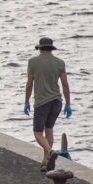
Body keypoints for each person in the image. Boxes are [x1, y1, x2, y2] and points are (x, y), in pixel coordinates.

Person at [24, 37, 72, 172]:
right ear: (51, 48)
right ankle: (45, 163)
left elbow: (29, 84)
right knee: (49, 129)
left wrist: (26, 101)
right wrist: (68, 104)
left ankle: (50, 152)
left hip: (41, 102)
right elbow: (65, 84)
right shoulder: (60, 63)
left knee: (38, 133)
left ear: (39, 48)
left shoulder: (33, 62)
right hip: (57, 101)